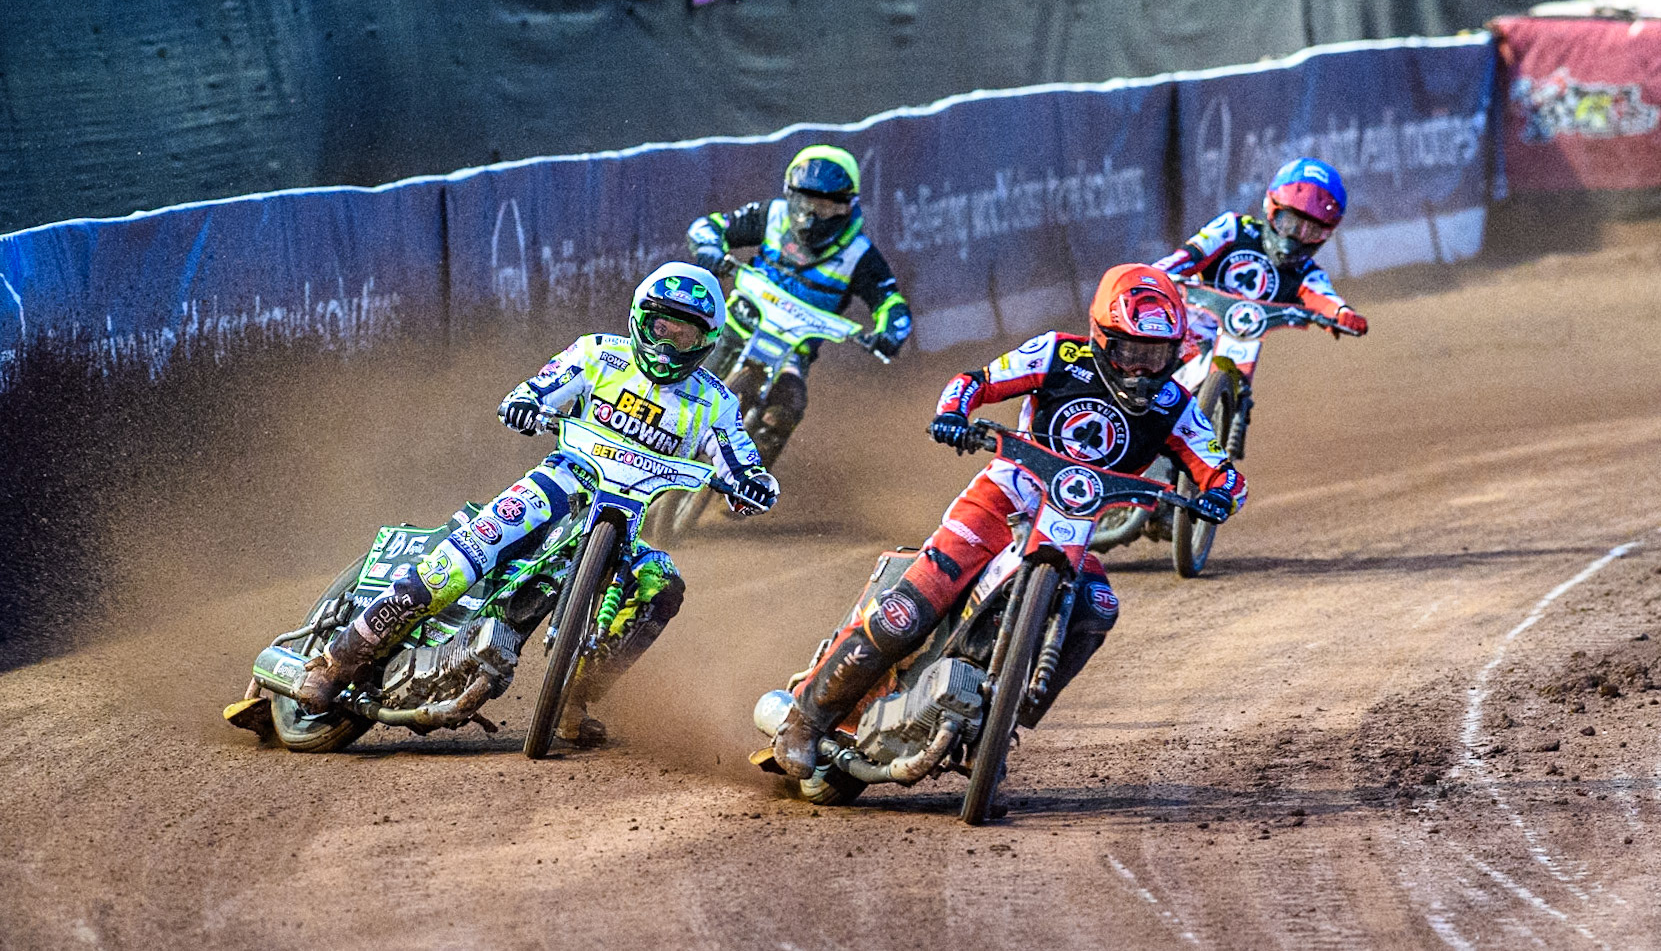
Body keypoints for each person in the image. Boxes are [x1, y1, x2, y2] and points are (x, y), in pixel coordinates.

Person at [770, 264, 1247, 778]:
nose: (1141, 370)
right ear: (1101, 338)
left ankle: (1002, 718)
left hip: (1075, 528)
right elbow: (975, 381)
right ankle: (805, 720)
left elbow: (1221, 469)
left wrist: (1221, 494)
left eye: (1155, 357)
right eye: (1130, 352)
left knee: (1099, 607)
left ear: (1176, 351)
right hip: (1002, 499)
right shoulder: (1058, 355)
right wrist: (954, 412)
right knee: (908, 611)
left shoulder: (1175, 406)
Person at [295, 262, 780, 745]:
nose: (668, 342)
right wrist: (525, 402)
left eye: (683, 333)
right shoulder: (598, 354)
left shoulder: (715, 402)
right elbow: (541, 387)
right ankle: (336, 662)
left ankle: (575, 695)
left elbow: (740, 457)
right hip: (557, 487)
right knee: (463, 557)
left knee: (663, 586)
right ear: (639, 318)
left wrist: (752, 484)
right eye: (661, 326)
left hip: (626, 521)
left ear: (707, 341)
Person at [685, 145, 912, 464]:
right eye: (805, 202)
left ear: (847, 207)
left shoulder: (859, 254)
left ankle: (743, 486)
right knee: (686, 381)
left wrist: (890, 334)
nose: (811, 216)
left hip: (793, 351)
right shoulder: (771, 215)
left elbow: (891, 303)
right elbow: (710, 227)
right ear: (790, 194)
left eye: (824, 207)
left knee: (789, 405)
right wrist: (710, 248)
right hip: (736, 326)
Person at [1153, 157, 1368, 361]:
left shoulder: (1308, 274)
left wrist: (1342, 313)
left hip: (1231, 351)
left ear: (1324, 236)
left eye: (1310, 231)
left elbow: (1324, 298)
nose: (1294, 237)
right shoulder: (1233, 228)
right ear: (1270, 208)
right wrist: (1149, 278)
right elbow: (1183, 259)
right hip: (1174, 327)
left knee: (1241, 395)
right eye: (1288, 222)